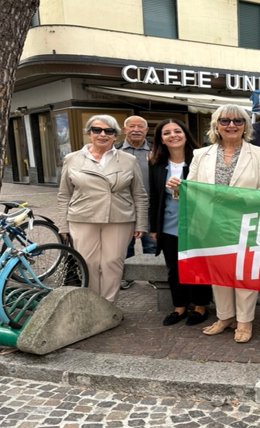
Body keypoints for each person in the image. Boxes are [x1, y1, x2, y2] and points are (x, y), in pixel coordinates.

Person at [170, 105, 260, 343]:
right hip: (211, 223)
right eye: (225, 121)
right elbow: (191, 190)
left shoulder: (259, 154)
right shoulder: (201, 154)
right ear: (216, 125)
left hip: (246, 222)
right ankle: (225, 317)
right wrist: (178, 189)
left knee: (245, 273)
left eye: (238, 121)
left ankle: (245, 321)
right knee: (218, 273)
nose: (231, 125)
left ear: (245, 126)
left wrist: (235, 199)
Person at [58, 115, 148, 302]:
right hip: (82, 217)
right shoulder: (72, 159)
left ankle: (108, 305)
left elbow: (139, 194)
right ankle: (93, 305)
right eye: (97, 130)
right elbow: (64, 194)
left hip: (119, 217)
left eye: (109, 131)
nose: (102, 134)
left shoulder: (128, 160)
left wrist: (141, 223)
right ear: (89, 133)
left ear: (115, 135)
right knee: (88, 263)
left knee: (112, 262)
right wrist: (63, 224)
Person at [149, 119, 212, 327]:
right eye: (166, 133)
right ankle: (179, 306)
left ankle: (201, 306)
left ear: (186, 135)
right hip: (169, 224)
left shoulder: (200, 159)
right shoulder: (157, 163)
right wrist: (153, 227)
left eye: (177, 131)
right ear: (161, 139)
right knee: (174, 268)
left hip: (197, 223)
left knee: (198, 265)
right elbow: (154, 196)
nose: (173, 135)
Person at [116, 115, 156, 289]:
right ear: (124, 129)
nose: (136, 130)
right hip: (123, 206)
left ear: (146, 130)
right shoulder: (114, 151)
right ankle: (127, 277)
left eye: (140, 127)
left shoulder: (156, 150)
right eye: (132, 126)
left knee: (151, 244)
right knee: (125, 245)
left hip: (149, 206)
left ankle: (153, 276)